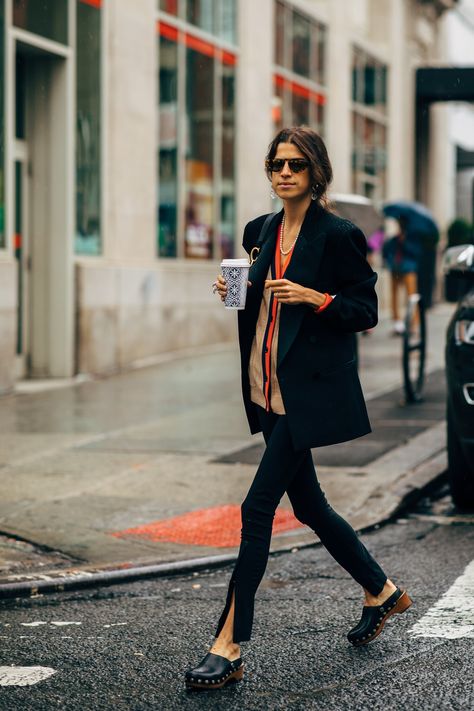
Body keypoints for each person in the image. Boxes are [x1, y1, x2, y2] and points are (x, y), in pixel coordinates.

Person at [185, 127, 412, 691]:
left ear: (315, 172)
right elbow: (251, 299)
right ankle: (381, 591)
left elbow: (365, 308)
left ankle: (229, 644)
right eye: (277, 164)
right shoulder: (258, 232)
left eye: (296, 165)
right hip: (265, 391)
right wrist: (230, 289)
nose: (284, 173)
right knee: (309, 505)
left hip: (305, 397)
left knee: (257, 506)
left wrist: (317, 298)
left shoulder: (338, 236)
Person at [382, 216, 420, 335]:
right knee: (394, 295)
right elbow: (387, 251)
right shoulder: (394, 239)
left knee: (412, 296)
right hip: (396, 269)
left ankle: (414, 323)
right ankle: (397, 322)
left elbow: (416, 253)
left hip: (409, 269)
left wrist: (405, 242)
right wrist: (390, 261)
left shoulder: (412, 239)